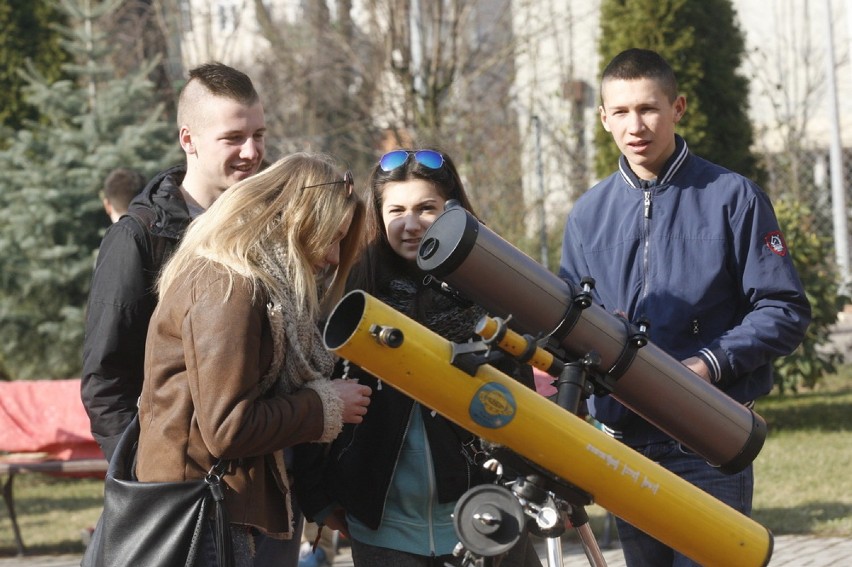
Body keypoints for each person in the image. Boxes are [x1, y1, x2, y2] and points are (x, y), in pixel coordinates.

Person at [558, 48, 811, 566]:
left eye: (649, 108)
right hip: (625, 449)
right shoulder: (586, 216)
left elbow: (784, 309)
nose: (636, 124)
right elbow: (567, 324)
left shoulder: (733, 197)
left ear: (678, 107)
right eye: (621, 111)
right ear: (603, 118)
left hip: (709, 441)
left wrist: (706, 365)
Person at [295, 149, 542, 567]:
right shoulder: (348, 290)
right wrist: (317, 497)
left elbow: (524, 403)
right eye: (397, 210)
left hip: (484, 515)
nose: (411, 225)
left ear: (454, 210)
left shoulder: (492, 290)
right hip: (383, 527)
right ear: (378, 215)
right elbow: (315, 386)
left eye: (426, 208)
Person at [135, 152, 373, 566]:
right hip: (205, 514)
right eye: (330, 236)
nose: (334, 256)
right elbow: (228, 428)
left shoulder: (249, 282)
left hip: (222, 507)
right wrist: (324, 405)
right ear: (296, 219)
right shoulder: (230, 286)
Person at [81, 62, 267, 463]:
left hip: (263, 486)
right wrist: (142, 471)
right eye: (233, 138)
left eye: (258, 135)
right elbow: (106, 378)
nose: (251, 152)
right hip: (176, 489)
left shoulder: (269, 228)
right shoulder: (139, 237)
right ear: (189, 139)